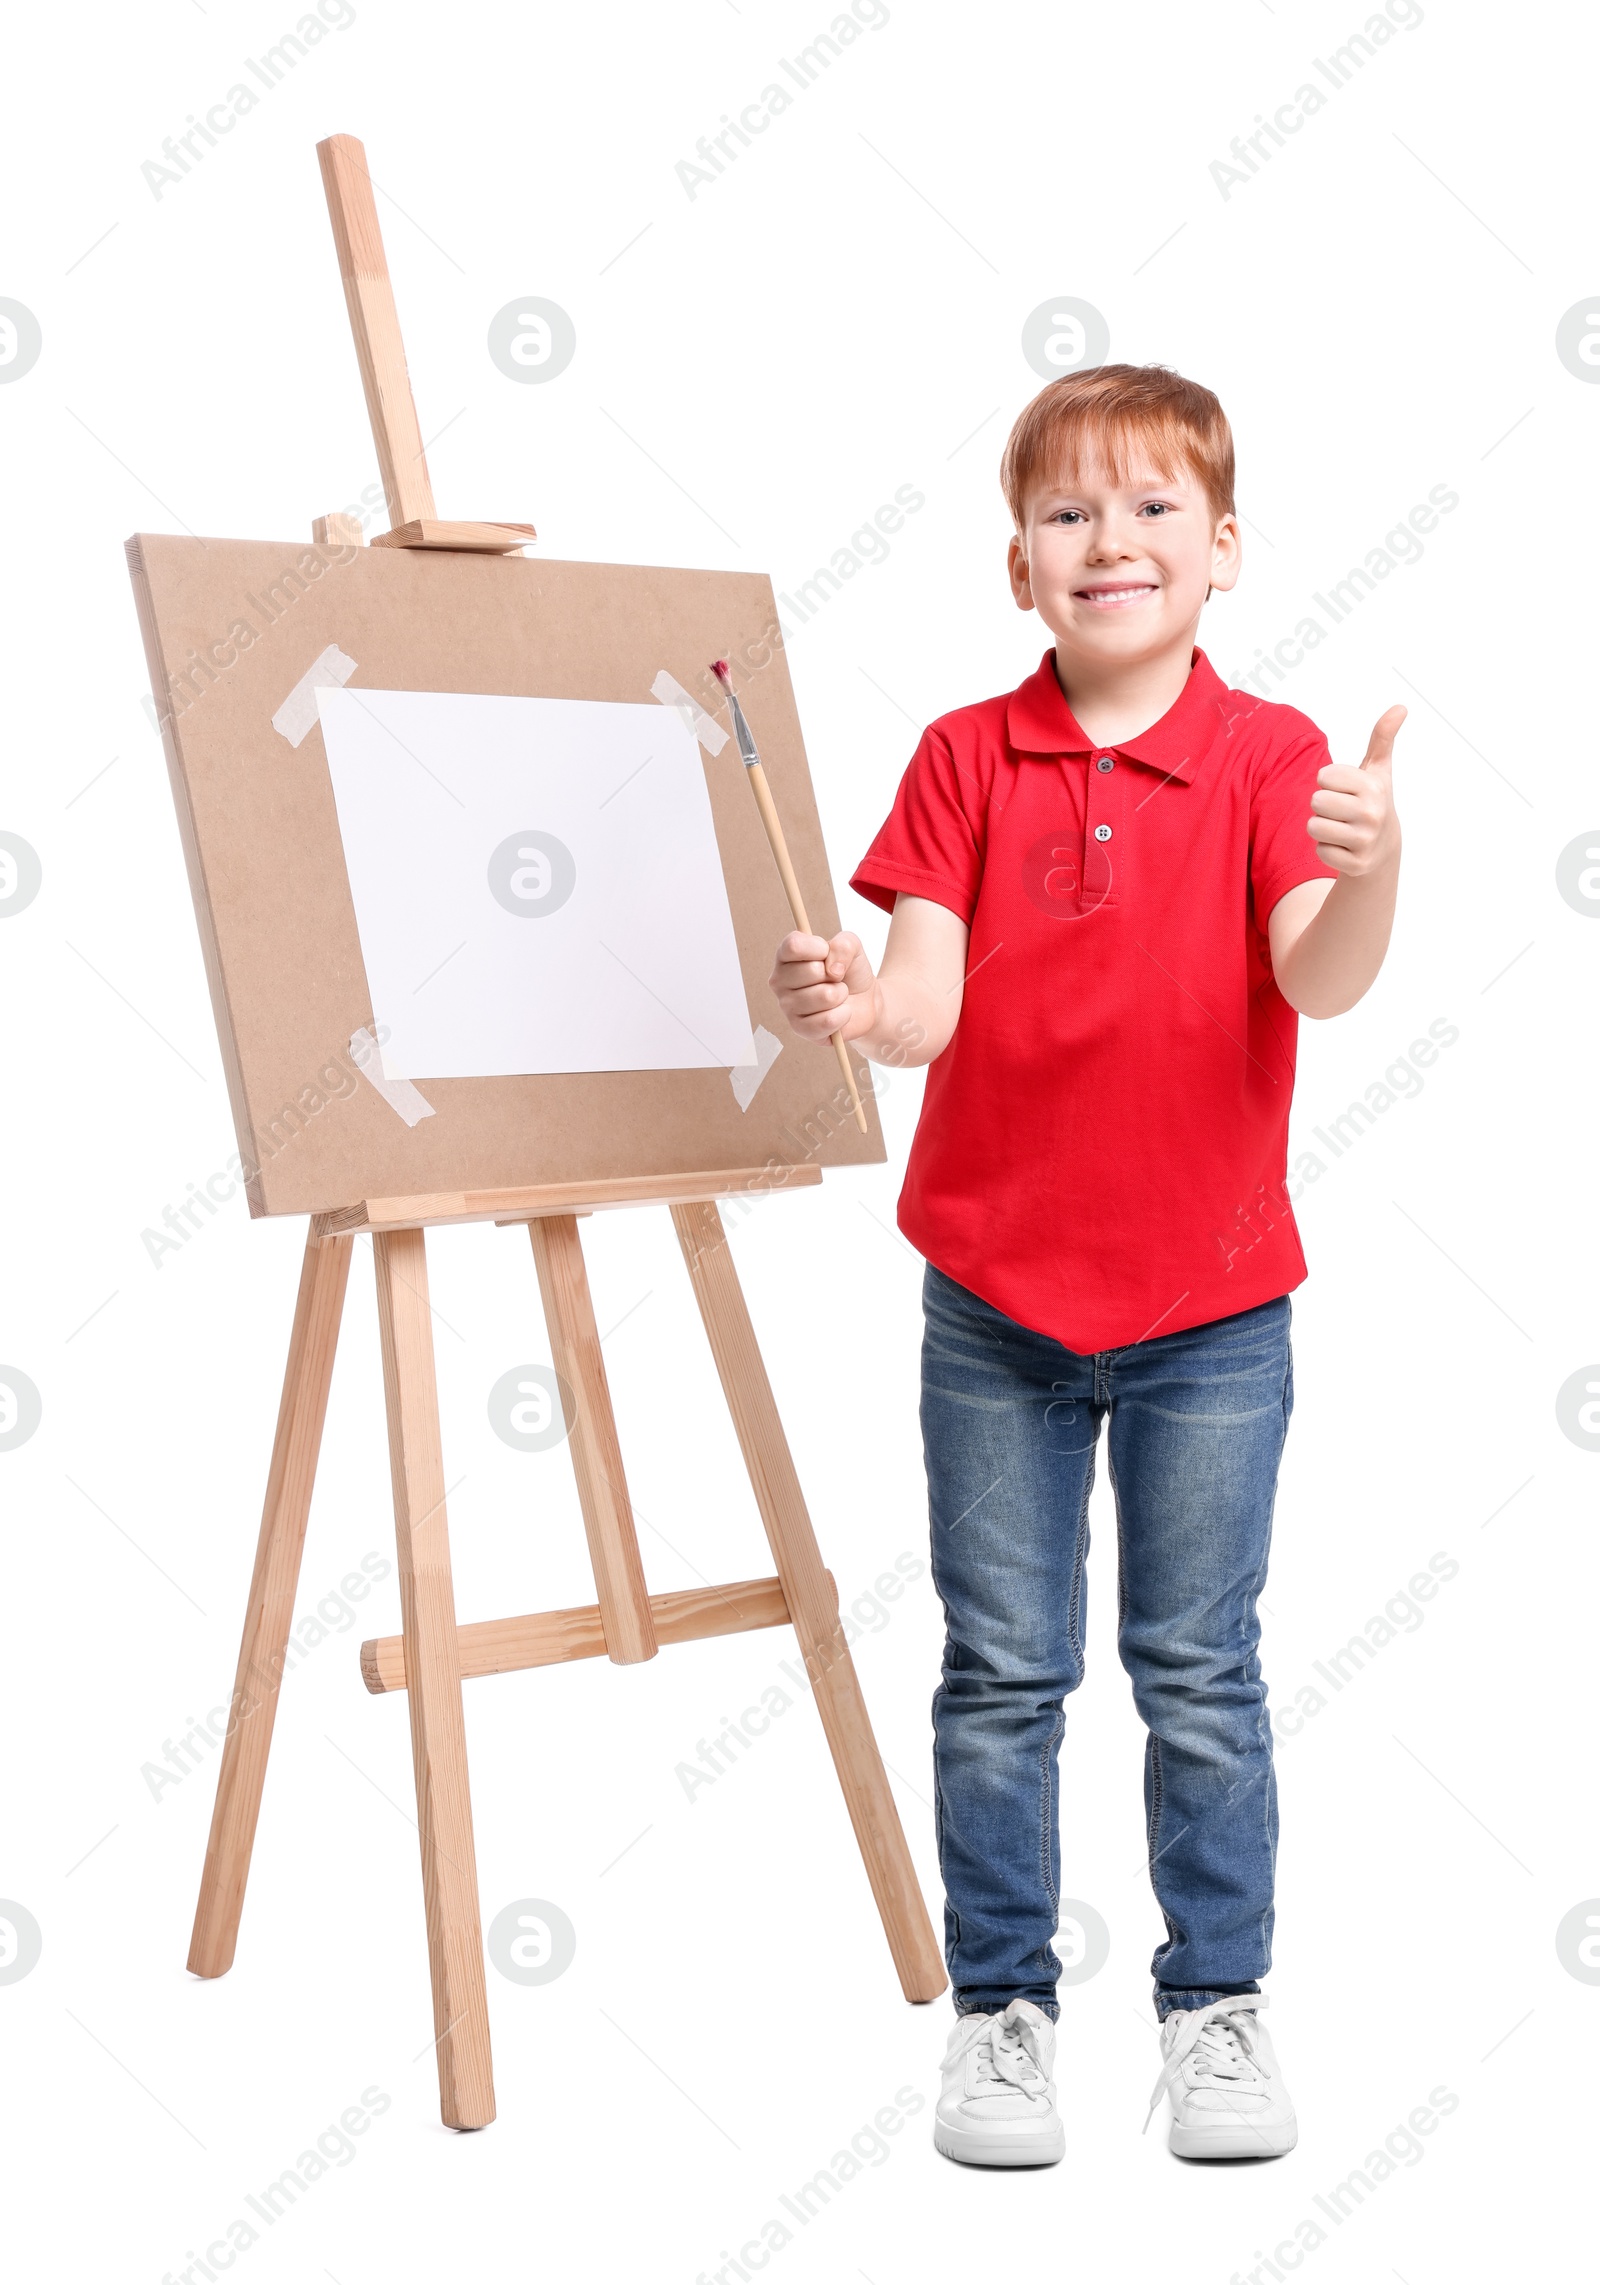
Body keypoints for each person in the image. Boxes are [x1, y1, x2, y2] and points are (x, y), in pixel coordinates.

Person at [768, 364, 1403, 2167]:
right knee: (1003, 1670)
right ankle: (1005, 2013)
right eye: (1066, 514)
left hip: (1211, 1311)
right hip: (996, 1305)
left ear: (1222, 551)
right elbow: (921, 1002)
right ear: (1018, 570)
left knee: (1199, 1667)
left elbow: (1321, 974)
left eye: (1146, 510)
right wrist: (855, 998)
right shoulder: (966, 754)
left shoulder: (1276, 758)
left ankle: (1215, 2006)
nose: (1106, 539)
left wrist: (1373, 865)